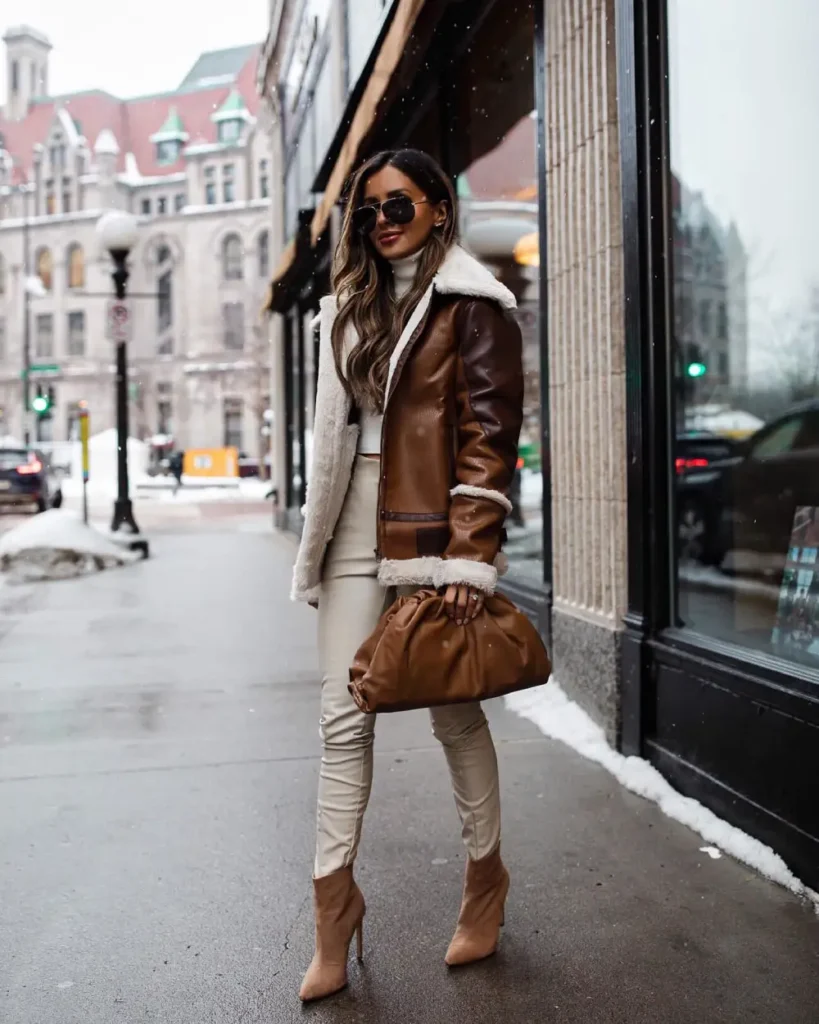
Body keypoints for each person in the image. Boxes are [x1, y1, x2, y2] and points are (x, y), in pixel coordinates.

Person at [291, 149, 523, 1002]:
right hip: (352, 523)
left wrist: (470, 550)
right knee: (340, 717)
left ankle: (485, 878)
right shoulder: (344, 309)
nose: (381, 220)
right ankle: (332, 908)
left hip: (429, 525)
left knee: (452, 712)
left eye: (397, 205)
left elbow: (488, 435)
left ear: (436, 210)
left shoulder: (474, 304)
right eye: (367, 210)